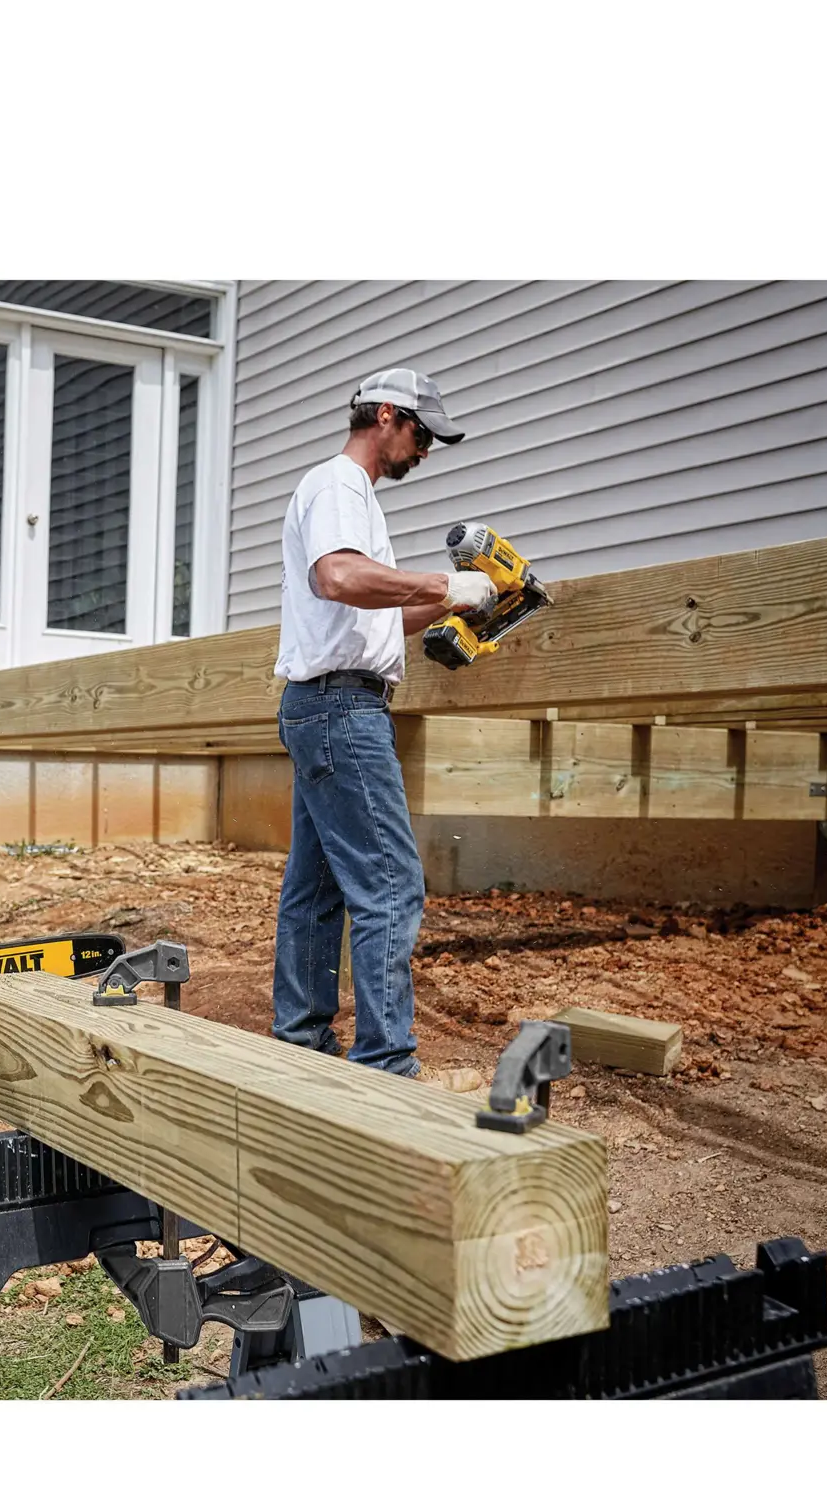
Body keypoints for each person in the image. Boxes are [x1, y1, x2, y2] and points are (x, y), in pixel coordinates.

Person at [270, 368, 494, 1077]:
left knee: (318, 890)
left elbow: (369, 607)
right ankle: (387, 1067)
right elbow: (336, 576)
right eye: (422, 435)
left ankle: (303, 1046)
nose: (424, 452)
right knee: (392, 884)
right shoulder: (339, 485)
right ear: (388, 416)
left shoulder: (350, 495)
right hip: (342, 708)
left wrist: (456, 605)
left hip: (320, 705)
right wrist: (442, 582)